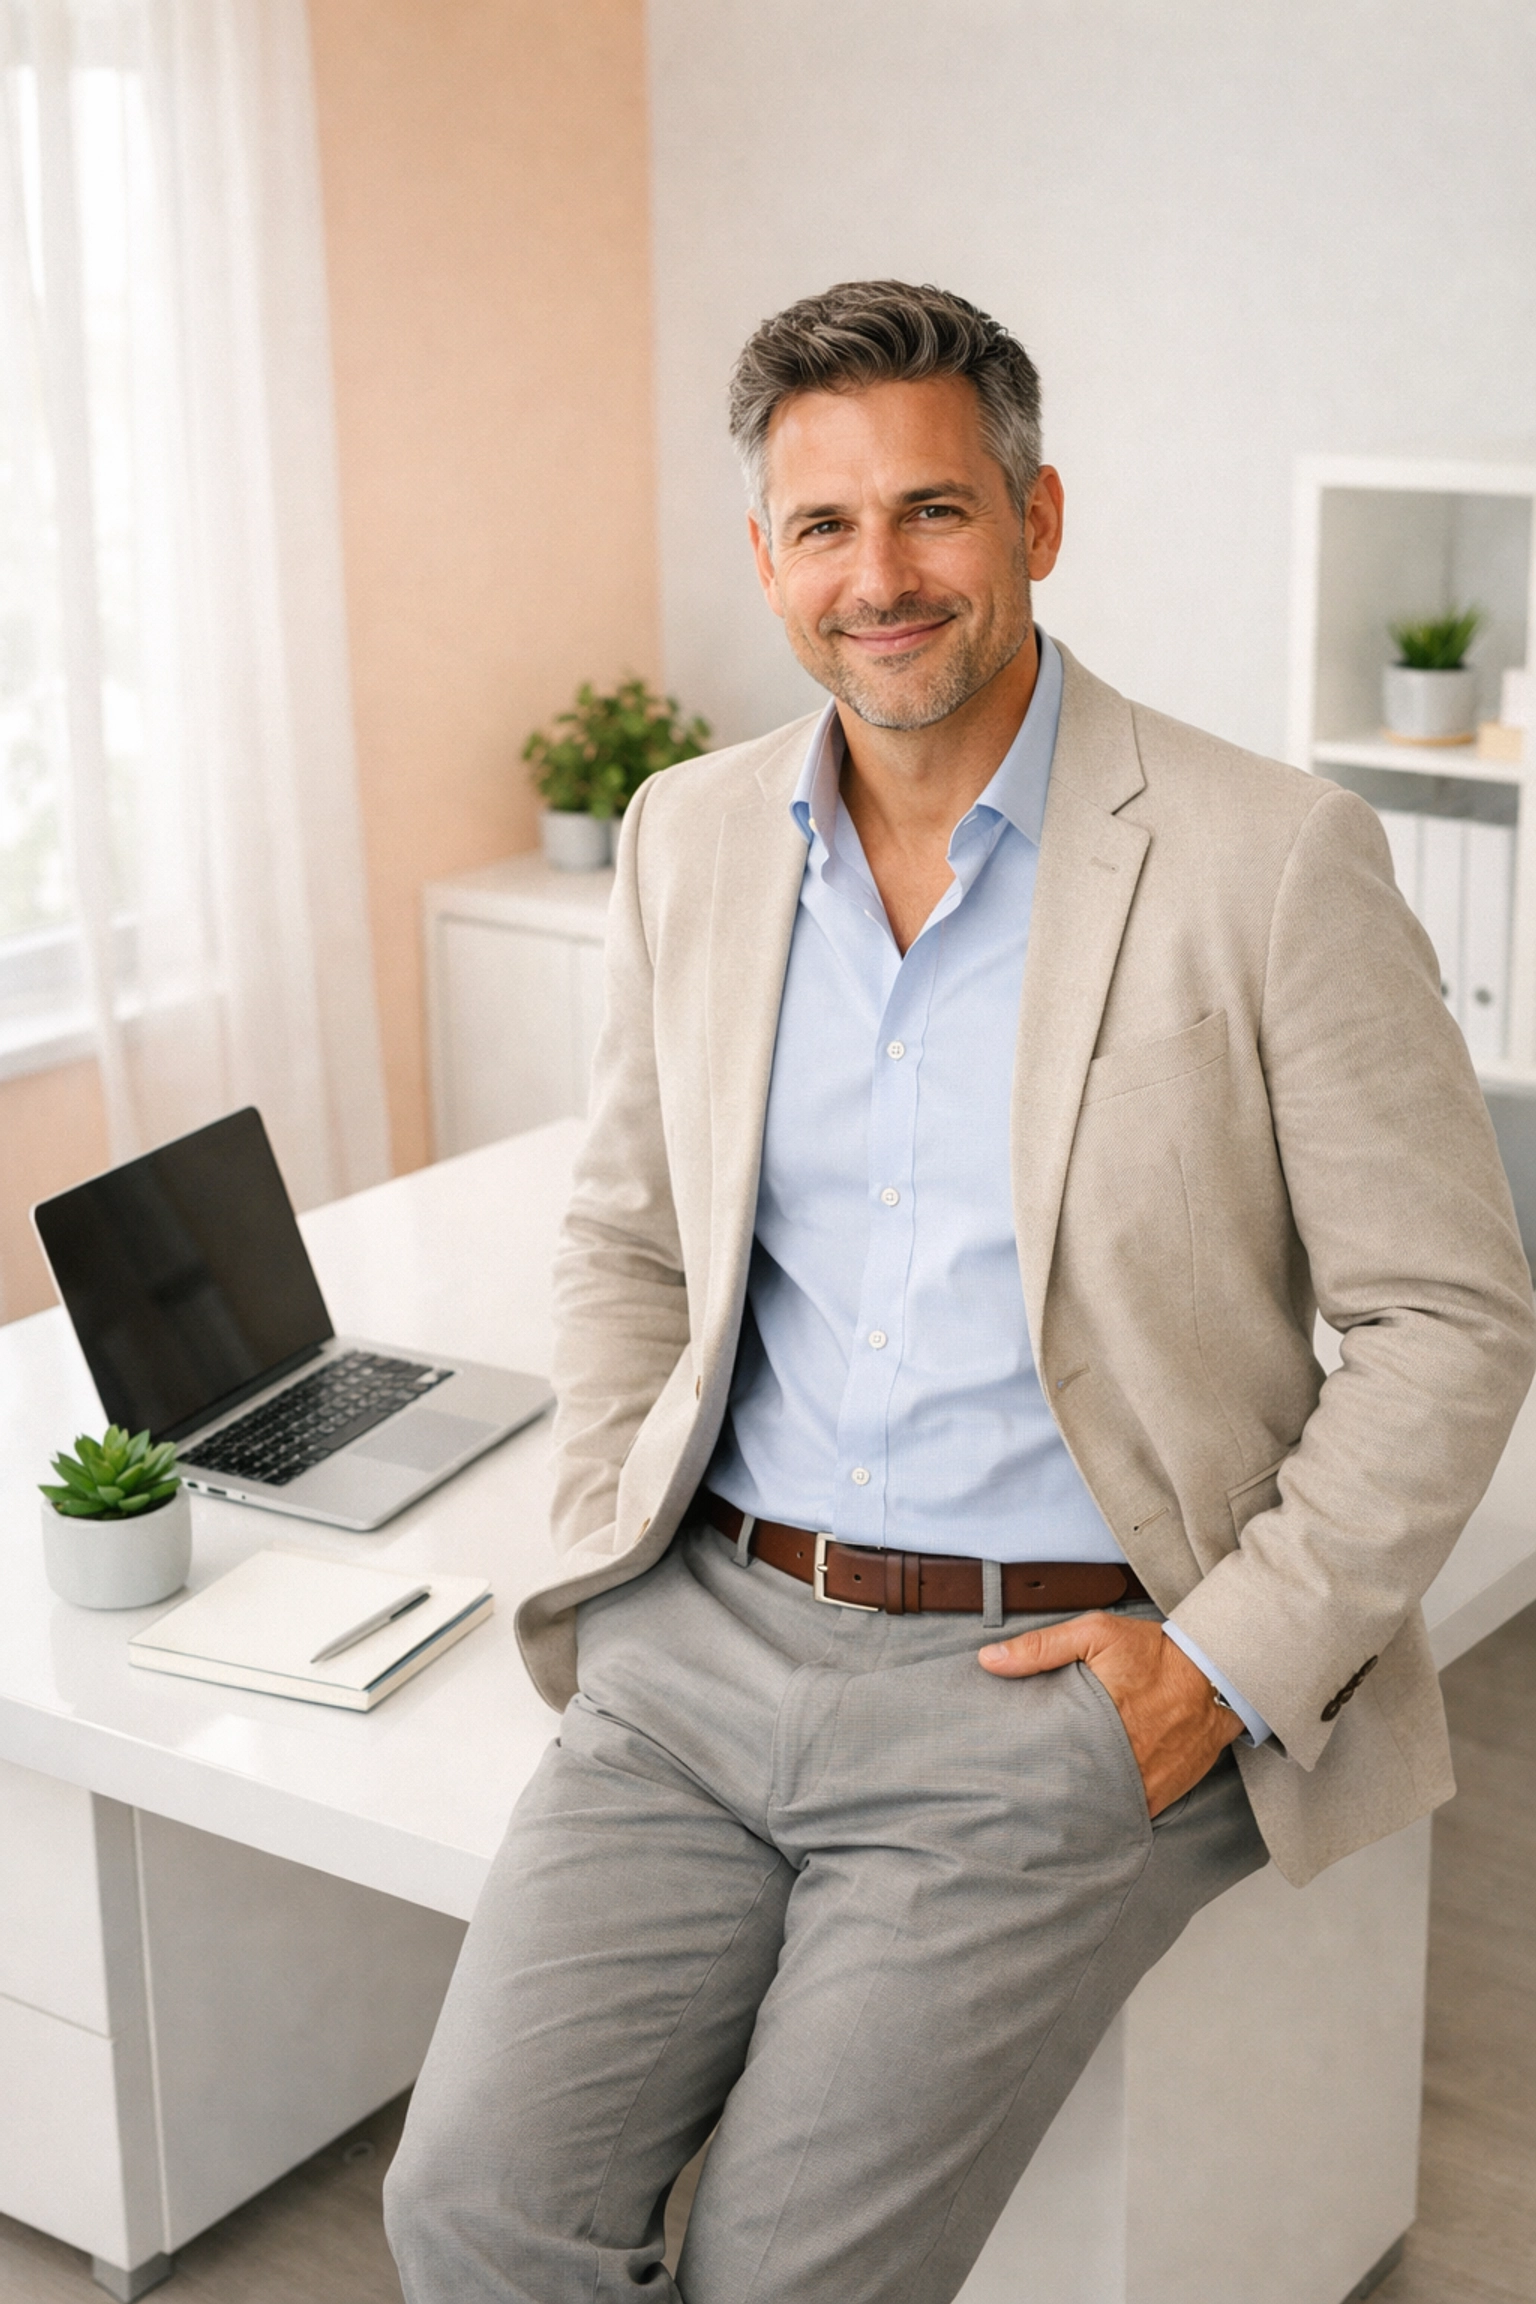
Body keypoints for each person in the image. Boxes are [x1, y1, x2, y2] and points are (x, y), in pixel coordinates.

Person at [385, 281, 1535, 2303]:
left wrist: (1220, 1667)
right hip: (698, 1648)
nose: (880, 577)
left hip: (1043, 1694)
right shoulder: (690, 835)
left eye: (933, 512)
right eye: (823, 528)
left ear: (1036, 518)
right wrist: (610, 1537)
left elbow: (1454, 1318)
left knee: (781, 2275)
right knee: (470, 2210)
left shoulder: (1271, 857)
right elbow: (630, 1234)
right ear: (766, 558)